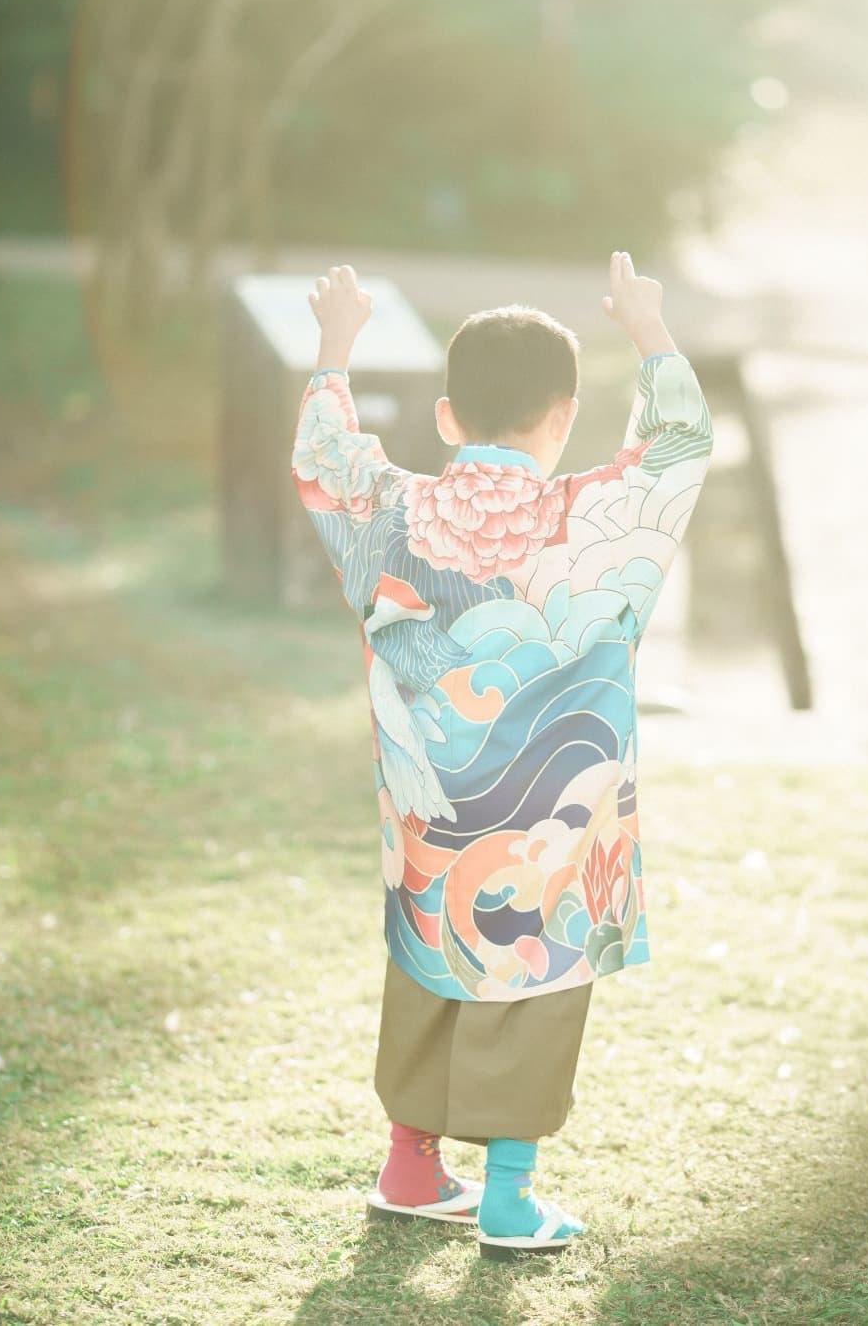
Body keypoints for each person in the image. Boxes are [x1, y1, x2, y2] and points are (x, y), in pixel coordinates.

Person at [292, 253, 713, 1258]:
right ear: (563, 418)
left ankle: (410, 1164)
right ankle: (510, 1198)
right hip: (553, 806)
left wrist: (336, 345)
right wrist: (649, 333)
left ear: (447, 417)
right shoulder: (594, 517)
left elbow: (327, 454)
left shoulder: (393, 511)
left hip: (428, 805)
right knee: (537, 962)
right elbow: (680, 446)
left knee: (426, 950)